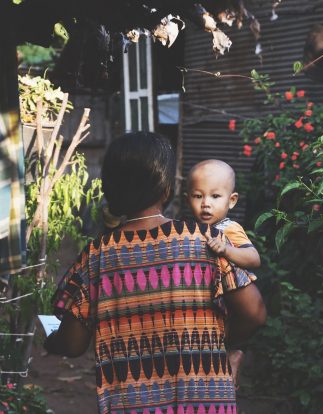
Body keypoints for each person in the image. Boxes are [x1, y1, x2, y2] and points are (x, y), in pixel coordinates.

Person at [44, 131, 266, 414]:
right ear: (167, 189)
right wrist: (216, 349)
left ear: (110, 189)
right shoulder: (205, 240)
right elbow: (254, 313)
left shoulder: (97, 255)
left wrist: (51, 341)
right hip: (205, 401)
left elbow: (73, 344)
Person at [185, 160, 262, 383]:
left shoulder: (229, 228)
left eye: (215, 196)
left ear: (232, 200)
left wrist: (226, 249)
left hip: (230, 297)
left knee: (217, 344)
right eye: (198, 196)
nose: (206, 204)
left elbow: (253, 257)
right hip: (205, 300)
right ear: (187, 199)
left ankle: (233, 353)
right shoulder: (190, 229)